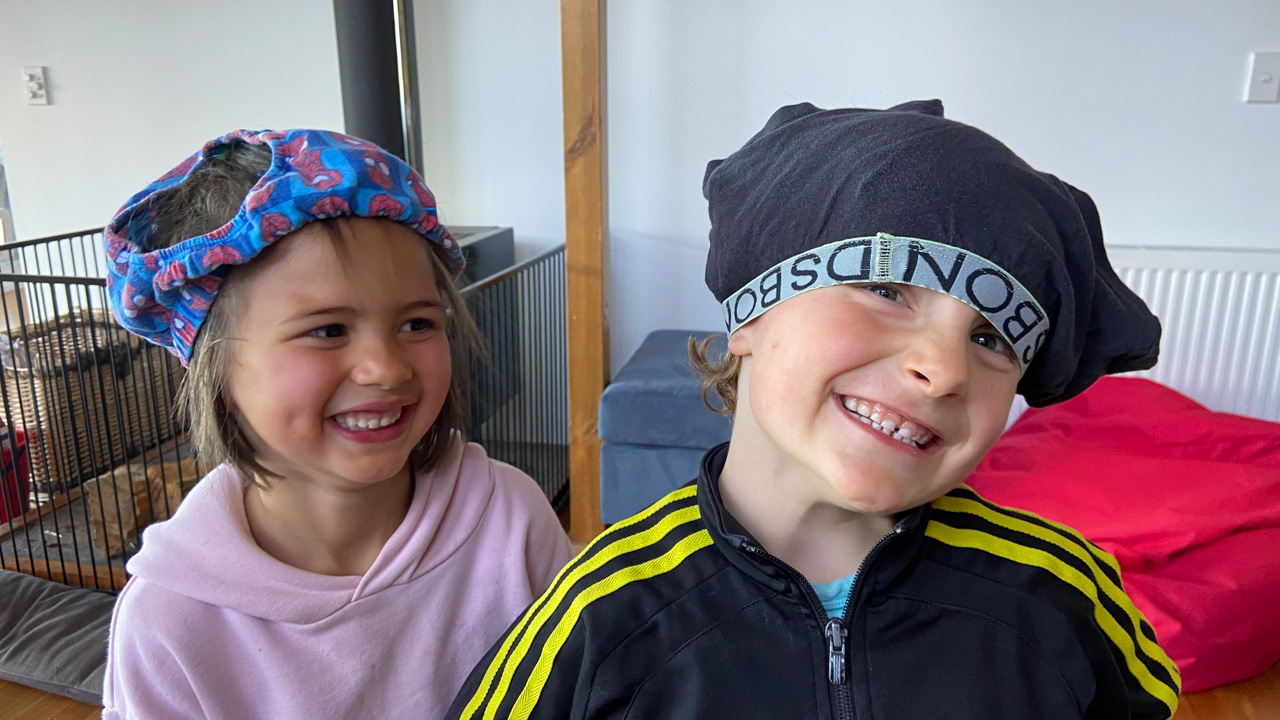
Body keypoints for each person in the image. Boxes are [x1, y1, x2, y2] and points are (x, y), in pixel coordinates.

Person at [447, 101, 1182, 719]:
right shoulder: (600, 619)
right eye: (887, 290)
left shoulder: (1061, 594)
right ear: (752, 313)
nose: (943, 370)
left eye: (991, 339)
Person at [99, 129, 573, 719]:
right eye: (327, 330)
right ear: (217, 374)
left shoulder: (510, 518)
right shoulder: (170, 623)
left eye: (418, 324)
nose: (386, 368)